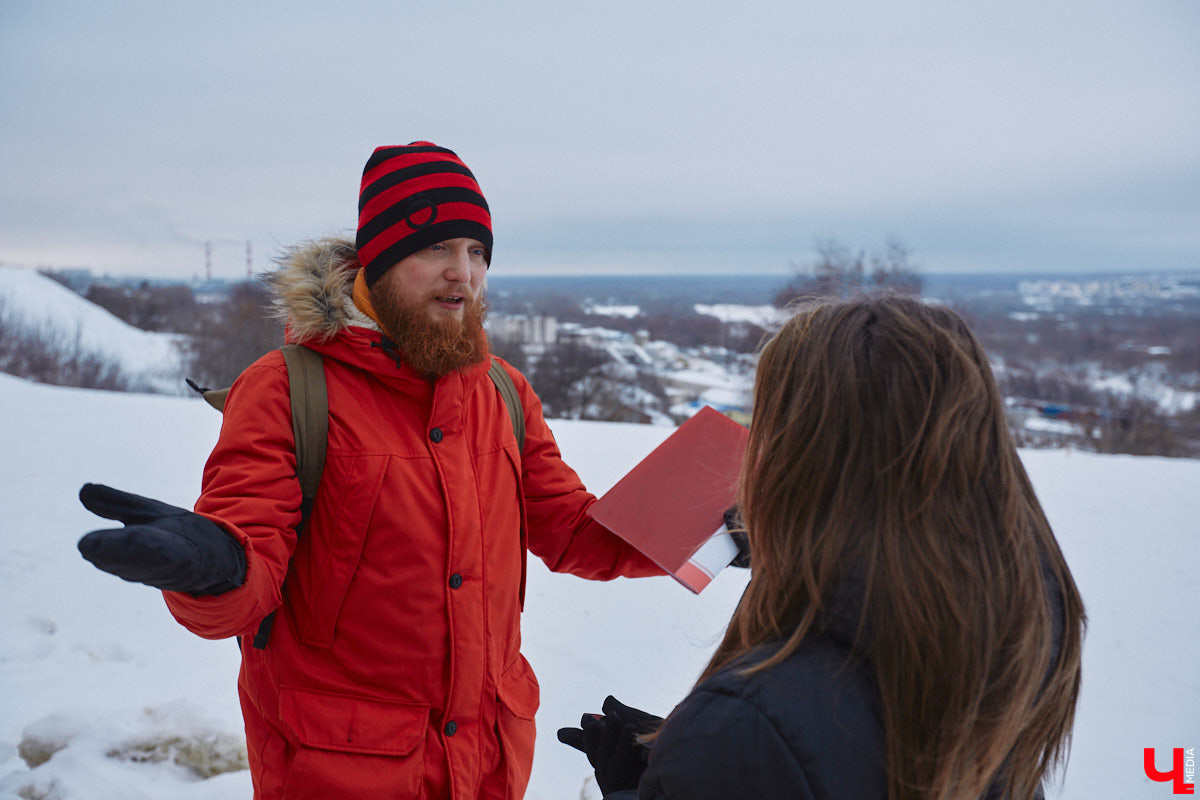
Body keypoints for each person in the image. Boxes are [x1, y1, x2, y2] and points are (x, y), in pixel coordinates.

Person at [76, 141, 666, 799]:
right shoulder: (286, 389)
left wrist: (712, 528)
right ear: (377, 264)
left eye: (477, 253)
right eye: (436, 249)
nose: (461, 275)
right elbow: (252, 558)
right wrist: (214, 567)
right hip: (341, 773)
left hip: (488, 767)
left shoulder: (502, 392)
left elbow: (571, 528)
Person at [558, 294, 1086, 800]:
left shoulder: (744, 730)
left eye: (770, 431)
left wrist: (648, 782)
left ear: (806, 460)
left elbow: (785, 749)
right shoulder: (1006, 640)